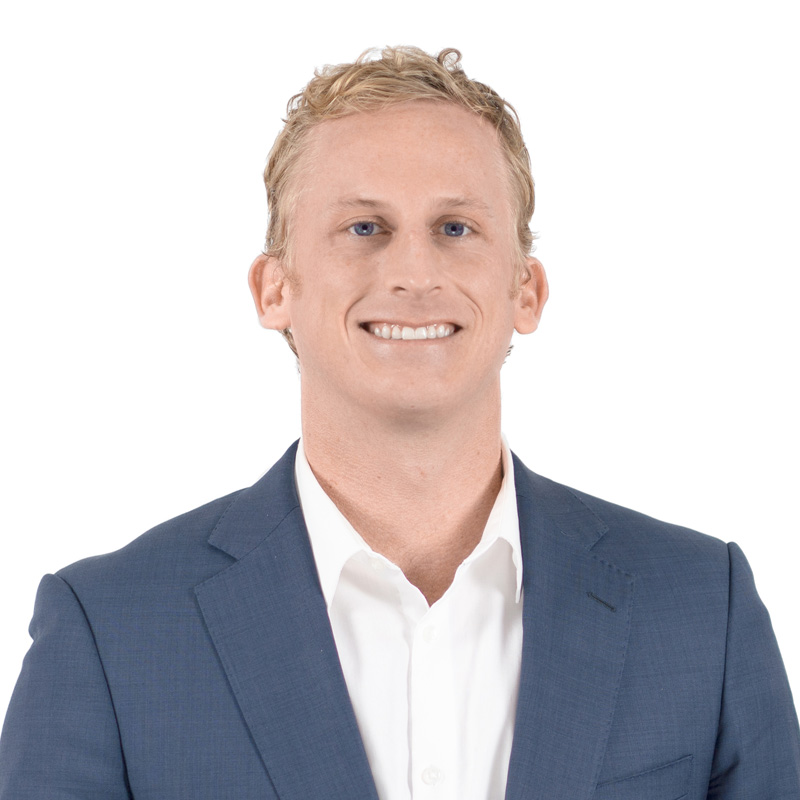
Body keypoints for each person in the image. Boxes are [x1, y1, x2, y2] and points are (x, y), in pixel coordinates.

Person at [1, 45, 798, 800]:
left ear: (526, 291)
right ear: (274, 290)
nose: (415, 272)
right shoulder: (110, 630)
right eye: (364, 228)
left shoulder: (703, 609)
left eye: (456, 228)